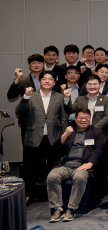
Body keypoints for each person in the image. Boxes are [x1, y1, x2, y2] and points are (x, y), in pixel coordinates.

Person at [16, 71, 69, 204]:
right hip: (33, 137)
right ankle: (28, 194)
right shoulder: (30, 95)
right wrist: (25, 97)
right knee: (30, 169)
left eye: (50, 79)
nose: (47, 81)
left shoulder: (60, 97)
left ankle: (55, 196)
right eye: (44, 79)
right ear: (39, 82)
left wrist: (64, 136)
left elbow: (64, 118)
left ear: (54, 82)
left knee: (54, 168)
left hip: (54, 138)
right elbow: (19, 111)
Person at [47, 108, 103, 222]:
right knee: (52, 177)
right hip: (65, 165)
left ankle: (71, 208)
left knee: (80, 177)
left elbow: (99, 150)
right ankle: (57, 208)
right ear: (76, 119)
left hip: (82, 165)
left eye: (86, 117)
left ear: (90, 119)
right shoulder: (69, 131)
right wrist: (65, 134)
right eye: (81, 117)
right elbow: (55, 147)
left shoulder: (96, 132)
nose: (83, 120)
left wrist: (90, 164)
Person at [8, 54, 45, 141]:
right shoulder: (22, 81)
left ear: (43, 64)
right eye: (33, 63)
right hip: (28, 121)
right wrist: (17, 79)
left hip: (47, 120)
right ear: (29, 65)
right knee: (28, 148)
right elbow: (11, 95)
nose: (36, 65)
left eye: (39, 63)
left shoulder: (50, 80)